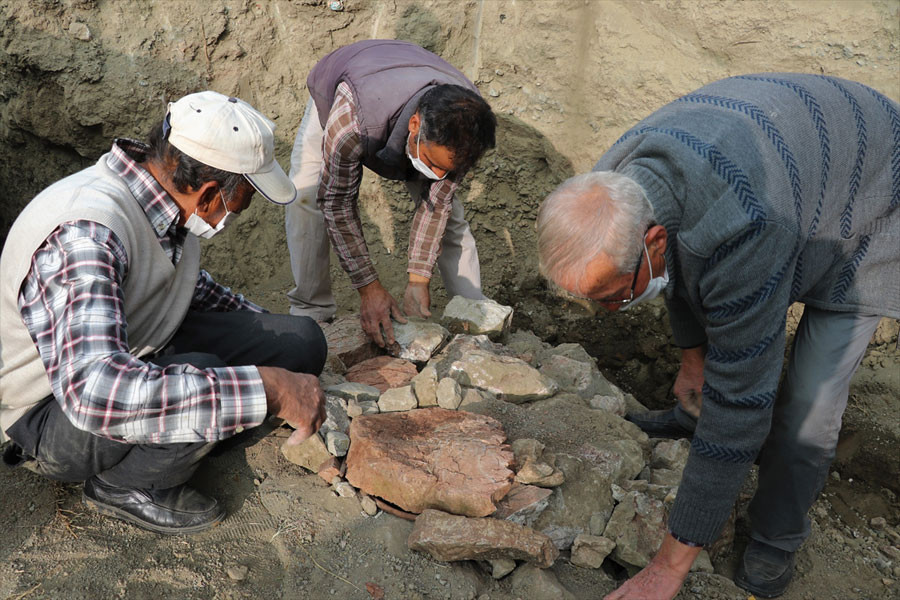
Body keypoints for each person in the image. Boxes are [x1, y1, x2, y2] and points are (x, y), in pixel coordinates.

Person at [536, 73, 898, 599]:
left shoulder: (747, 225)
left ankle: (776, 537)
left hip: (870, 195)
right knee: (717, 293)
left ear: (652, 242)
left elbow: (741, 404)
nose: (607, 311)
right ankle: (691, 418)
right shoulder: (613, 183)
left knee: (806, 406)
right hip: (785, 166)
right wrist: (693, 359)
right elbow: (680, 265)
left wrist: (667, 567)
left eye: (613, 296)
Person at [0, 91, 328, 535]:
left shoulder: (165, 202)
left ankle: (206, 416)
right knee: (210, 373)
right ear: (209, 193)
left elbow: (189, 290)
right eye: (243, 200)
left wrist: (272, 346)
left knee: (300, 342)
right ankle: (126, 485)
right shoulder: (85, 235)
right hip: (51, 414)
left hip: (135, 346)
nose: (240, 212)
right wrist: (266, 389)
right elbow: (95, 394)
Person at [286, 39, 497, 346]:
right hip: (349, 87)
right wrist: (369, 288)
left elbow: (437, 206)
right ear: (415, 124)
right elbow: (337, 202)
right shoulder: (350, 123)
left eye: (446, 170)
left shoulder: (469, 128)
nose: (436, 176)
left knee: (451, 218)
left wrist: (419, 279)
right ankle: (311, 311)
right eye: (432, 163)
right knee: (305, 197)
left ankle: (474, 316)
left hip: (407, 80)